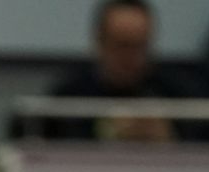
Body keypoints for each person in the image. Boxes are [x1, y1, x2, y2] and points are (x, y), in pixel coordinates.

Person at [21, 0, 193, 143]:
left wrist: (168, 139)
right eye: (122, 45)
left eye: (140, 46)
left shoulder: (175, 96)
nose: (130, 57)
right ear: (100, 43)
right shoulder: (68, 98)